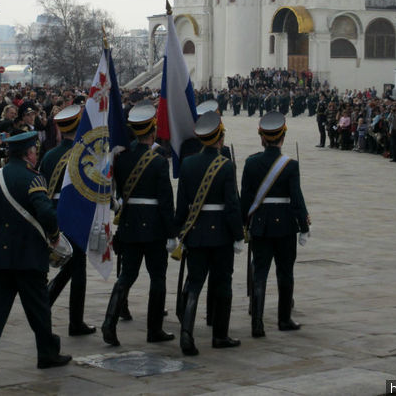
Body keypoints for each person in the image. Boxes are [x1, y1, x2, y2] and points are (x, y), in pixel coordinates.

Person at [0, 131, 71, 378]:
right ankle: (47, 353)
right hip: (27, 254)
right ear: (28, 153)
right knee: (38, 307)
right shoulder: (33, 179)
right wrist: (55, 234)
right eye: (34, 151)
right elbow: (46, 213)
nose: (36, 155)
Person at [101, 103, 175, 347]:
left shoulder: (121, 158)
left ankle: (109, 322)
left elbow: (121, 192)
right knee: (158, 278)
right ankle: (154, 329)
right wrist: (171, 232)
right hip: (153, 227)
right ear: (152, 131)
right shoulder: (158, 161)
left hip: (130, 223)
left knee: (126, 276)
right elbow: (165, 202)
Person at [175, 111, 243, 356]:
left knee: (194, 283)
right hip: (221, 235)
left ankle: (186, 334)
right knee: (223, 283)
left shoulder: (188, 163)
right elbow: (232, 205)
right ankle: (220, 335)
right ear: (220, 138)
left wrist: (176, 231)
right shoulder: (226, 165)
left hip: (196, 231)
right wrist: (238, 235)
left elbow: (181, 203)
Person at [240, 112, 310, 338]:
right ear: (283, 136)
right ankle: (283, 319)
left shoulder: (251, 162)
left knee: (260, 273)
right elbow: (296, 198)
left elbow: (246, 199)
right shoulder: (290, 165)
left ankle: (257, 324)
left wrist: (243, 225)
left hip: (260, 224)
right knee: (285, 272)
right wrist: (304, 226)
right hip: (286, 225)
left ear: (262, 137)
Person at [38, 105, 95, 336]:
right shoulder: (84, 155)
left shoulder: (49, 155)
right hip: (76, 215)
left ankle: (46, 305)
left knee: (70, 266)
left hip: (54, 214)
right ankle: (75, 321)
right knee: (78, 268)